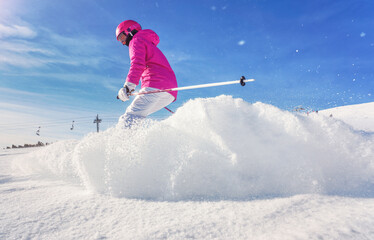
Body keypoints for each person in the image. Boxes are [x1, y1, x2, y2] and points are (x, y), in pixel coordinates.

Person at [115, 20, 178, 127]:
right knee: (137, 118)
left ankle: (119, 143)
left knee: (129, 118)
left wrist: (128, 87)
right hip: (170, 92)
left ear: (130, 31)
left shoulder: (136, 40)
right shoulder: (148, 43)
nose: (123, 43)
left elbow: (137, 63)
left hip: (155, 85)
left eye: (122, 37)